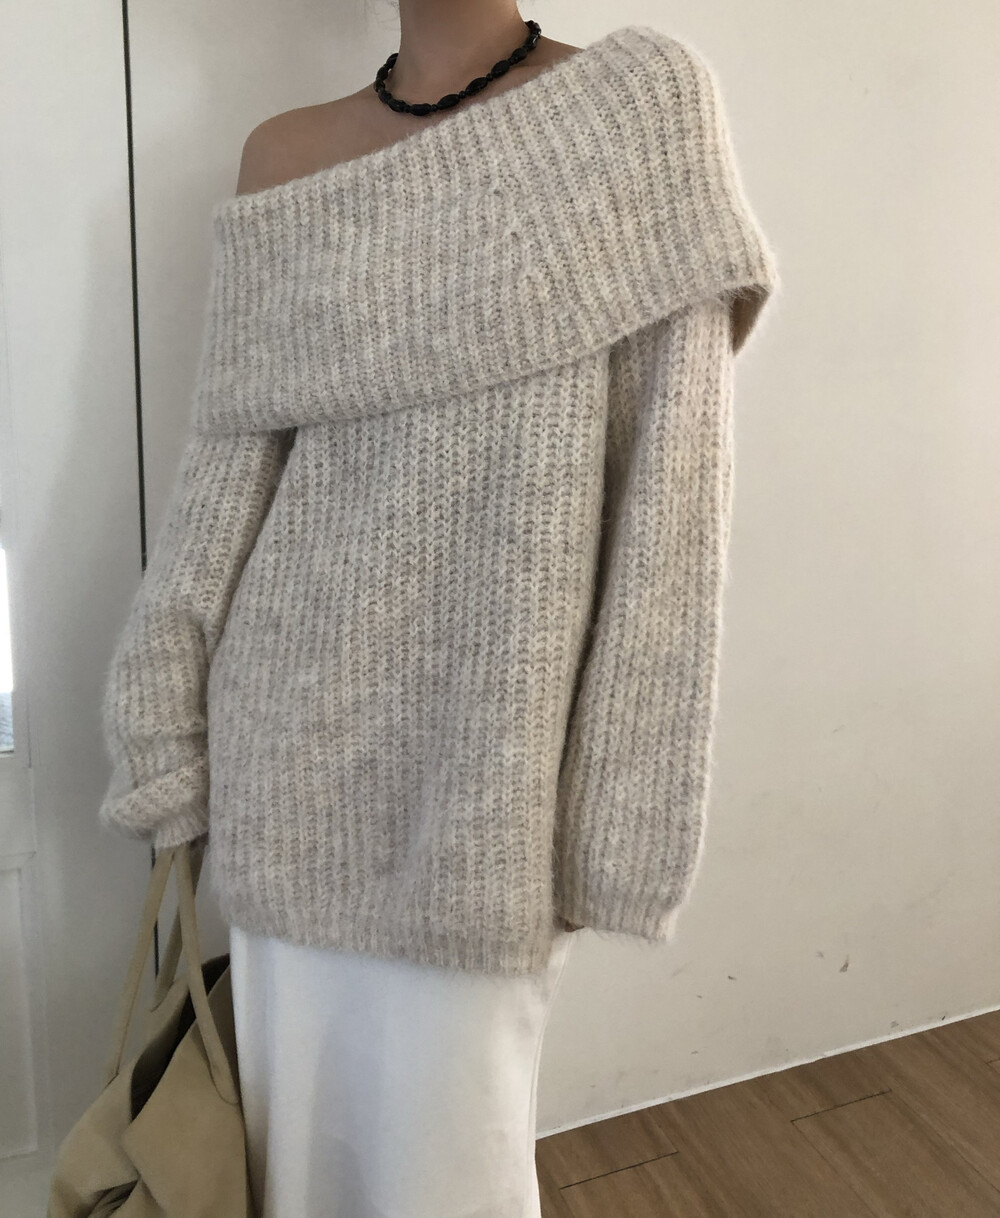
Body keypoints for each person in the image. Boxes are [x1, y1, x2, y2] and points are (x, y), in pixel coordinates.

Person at [97, 4, 778, 1215]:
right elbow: (226, 477)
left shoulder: (635, 106)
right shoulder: (284, 154)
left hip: (485, 781)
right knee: (291, 1168)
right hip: (283, 768)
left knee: (450, 1174)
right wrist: (164, 726)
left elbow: (673, 497)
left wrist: (617, 813)